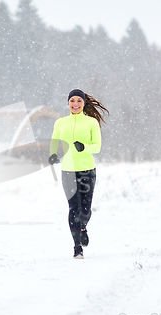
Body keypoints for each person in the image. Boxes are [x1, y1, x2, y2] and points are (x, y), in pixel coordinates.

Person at [48, 89, 109, 259]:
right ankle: (77, 247)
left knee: (86, 210)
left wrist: (84, 147)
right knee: (74, 208)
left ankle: (83, 228)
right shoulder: (61, 123)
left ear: (84, 103)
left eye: (79, 101)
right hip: (68, 170)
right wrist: (52, 154)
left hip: (87, 169)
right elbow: (54, 141)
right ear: (68, 103)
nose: (75, 104)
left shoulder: (91, 123)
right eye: (72, 101)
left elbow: (97, 146)